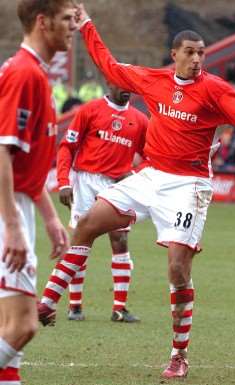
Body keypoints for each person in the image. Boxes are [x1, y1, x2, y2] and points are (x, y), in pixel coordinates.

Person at [37, 3, 235, 380]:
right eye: (190, 53)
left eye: (202, 53)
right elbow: (110, 67)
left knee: (178, 268)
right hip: (149, 176)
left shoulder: (213, 90)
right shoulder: (154, 80)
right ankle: (47, 303)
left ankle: (179, 353)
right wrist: (87, 26)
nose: (197, 59)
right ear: (174, 55)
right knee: (87, 223)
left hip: (189, 185)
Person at [0, 1, 75, 383]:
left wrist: (49, 218)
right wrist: (12, 225)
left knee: (9, 327)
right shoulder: (23, 74)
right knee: (24, 325)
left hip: (18, 205)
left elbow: (26, 163)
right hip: (6, 209)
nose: (73, 26)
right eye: (66, 19)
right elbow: (1, 151)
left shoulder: (36, 75)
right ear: (43, 22)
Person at [57, 81, 148, 322]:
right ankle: (74, 305)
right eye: (121, 84)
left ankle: (119, 308)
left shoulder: (140, 120)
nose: (126, 88)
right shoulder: (89, 110)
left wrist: (135, 174)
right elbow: (67, 146)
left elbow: (151, 156)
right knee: (80, 240)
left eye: (130, 84)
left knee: (120, 239)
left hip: (118, 185)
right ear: (109, 83)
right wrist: (64, 181)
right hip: (86, 180)